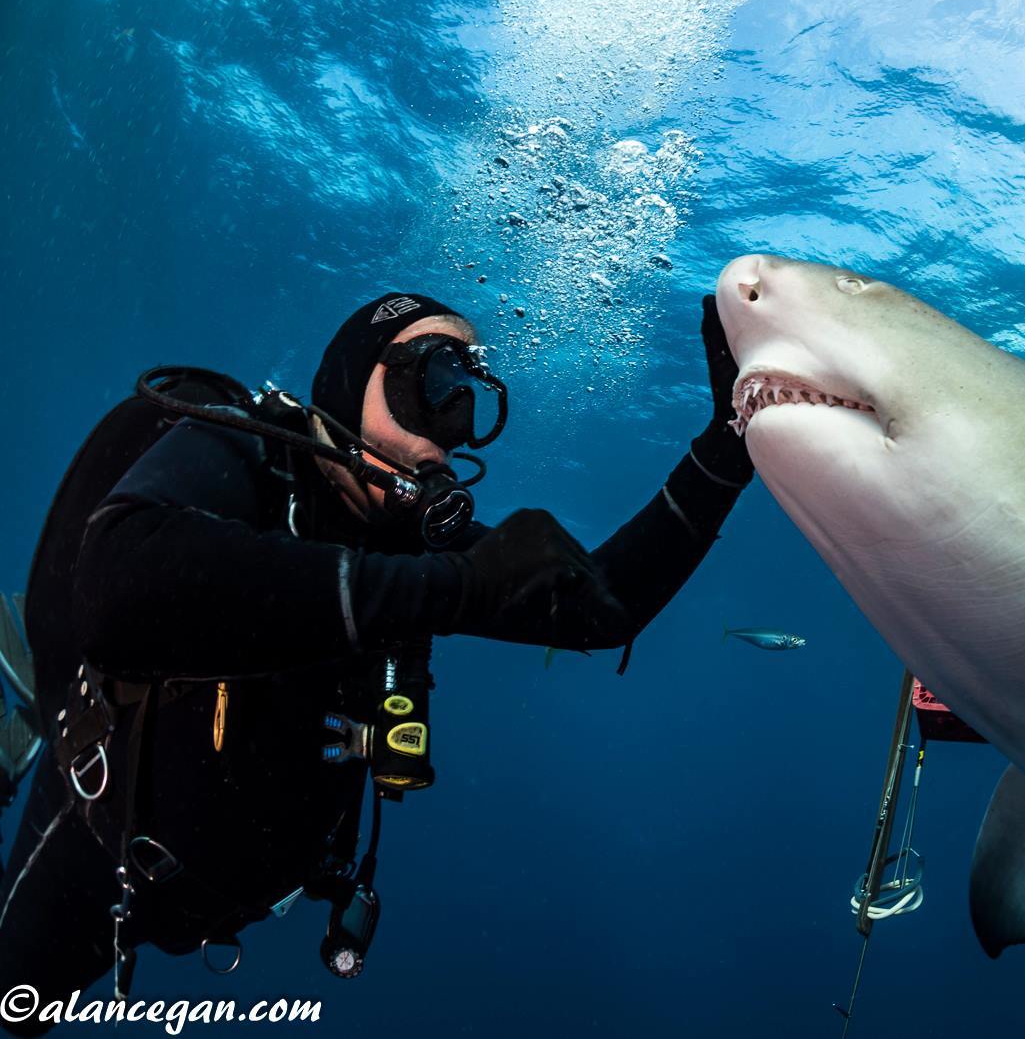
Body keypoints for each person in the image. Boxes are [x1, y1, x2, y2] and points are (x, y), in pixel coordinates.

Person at [0, 291, 752, 1033]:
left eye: (465, 399)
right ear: (352, 379)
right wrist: (457, 587)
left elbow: (603, 607)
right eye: (428, 382)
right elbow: (114, 582)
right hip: (99, 856)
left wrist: (726, 446)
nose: (447, 428)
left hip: (233, 898)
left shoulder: (414, 551)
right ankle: (26, 729)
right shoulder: (244, 451)